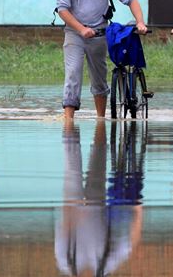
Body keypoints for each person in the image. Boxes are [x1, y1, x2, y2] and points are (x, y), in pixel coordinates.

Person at [56, 0, 147, 118]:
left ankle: (100, 120)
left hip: (99, 34)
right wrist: (81, 29)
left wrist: (140, 22)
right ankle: (68, 122)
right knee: (73, 73)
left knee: (99, 78)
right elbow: (62, 9)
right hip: (74, 34)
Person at [54, 118, 143, 276]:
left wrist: (138, 211)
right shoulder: (102, 265)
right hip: (93, 202)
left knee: (76, 152)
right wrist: (137, 211)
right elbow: (129, 243)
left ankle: (76, 121)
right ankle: (96, 122)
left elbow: (62, 228)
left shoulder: (66, 262)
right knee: (96, 152)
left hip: (74, 202)